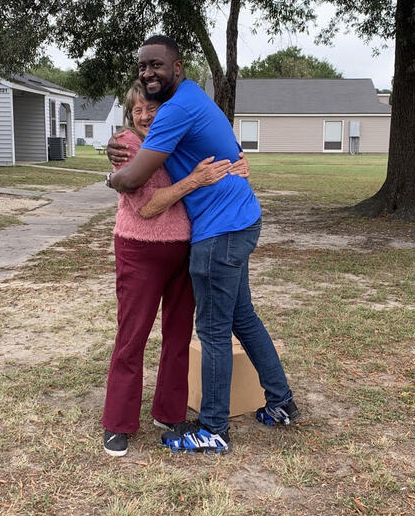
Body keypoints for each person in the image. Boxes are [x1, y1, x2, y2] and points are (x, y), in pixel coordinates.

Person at [107, 35, 300, 455]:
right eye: (142, 66)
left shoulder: (176, 108)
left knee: (213, 330)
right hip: (240, 219)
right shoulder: (193, 98)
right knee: (241, 318)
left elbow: (133, 178)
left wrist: (111, 178)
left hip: (219, 231)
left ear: (178, 67)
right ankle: (280, 402)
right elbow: (219, 144)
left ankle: (213, 428)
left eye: (156, 64)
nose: (148, 73)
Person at [102, 80, 242, 457]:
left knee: (178, 338)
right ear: (130, 117)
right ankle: (118, 423)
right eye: (138, 110)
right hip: (139, 251)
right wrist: (195, 179)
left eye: (152, 108)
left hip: (185, 250)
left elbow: (223, 159)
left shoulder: (177, 138)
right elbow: (146, 205)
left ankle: (170, 413)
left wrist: (237, 167)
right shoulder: (127, 147)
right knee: (133, 337)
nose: (146, 116)